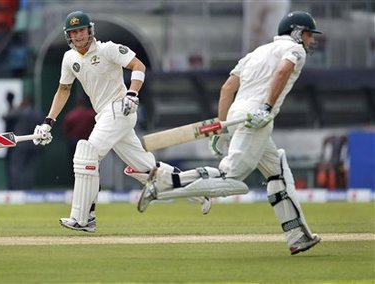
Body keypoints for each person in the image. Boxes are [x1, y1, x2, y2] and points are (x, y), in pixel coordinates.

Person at [138, 11, 322, 255]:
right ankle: (165, 182)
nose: (310, 40)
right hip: (257, 118)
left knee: (277, 173)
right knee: (231, 179)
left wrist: (219, 129)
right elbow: (281, 72)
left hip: (238, 114)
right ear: (297, 32)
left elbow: (227, 89)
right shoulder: (295, 51)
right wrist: (266, 107)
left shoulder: (256, 53)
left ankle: (297, 236)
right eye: (309, 34)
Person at [32, 11, 211, 233]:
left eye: (81, 30)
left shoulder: (108, 49)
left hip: (119, 109)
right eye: (73, 32)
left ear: (90, 30)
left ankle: (84, 218)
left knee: (86, 153)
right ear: (68, 36)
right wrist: (48, 122)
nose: (78, 36)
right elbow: (63, 89)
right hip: (105, 115)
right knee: (146, 169)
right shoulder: (69, 58)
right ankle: (196, 187)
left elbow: (139, 66)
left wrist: (132, 94)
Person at [3, 95, 42, 189]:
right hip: (33, 144)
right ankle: (28, 189)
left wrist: (14, 106)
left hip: (21, 144)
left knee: (16, 167)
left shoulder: (21, 112)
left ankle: (15, 189)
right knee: (30, 169)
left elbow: (6, 116)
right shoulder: (38, 113)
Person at [61, 94, 96, 185]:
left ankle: (75, 184)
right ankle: (90, 184)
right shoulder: (91, 114)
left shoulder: (71, 115)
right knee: (91, 163)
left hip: (74, 142)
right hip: (89, 142)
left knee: (75, 164)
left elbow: (65, 130)